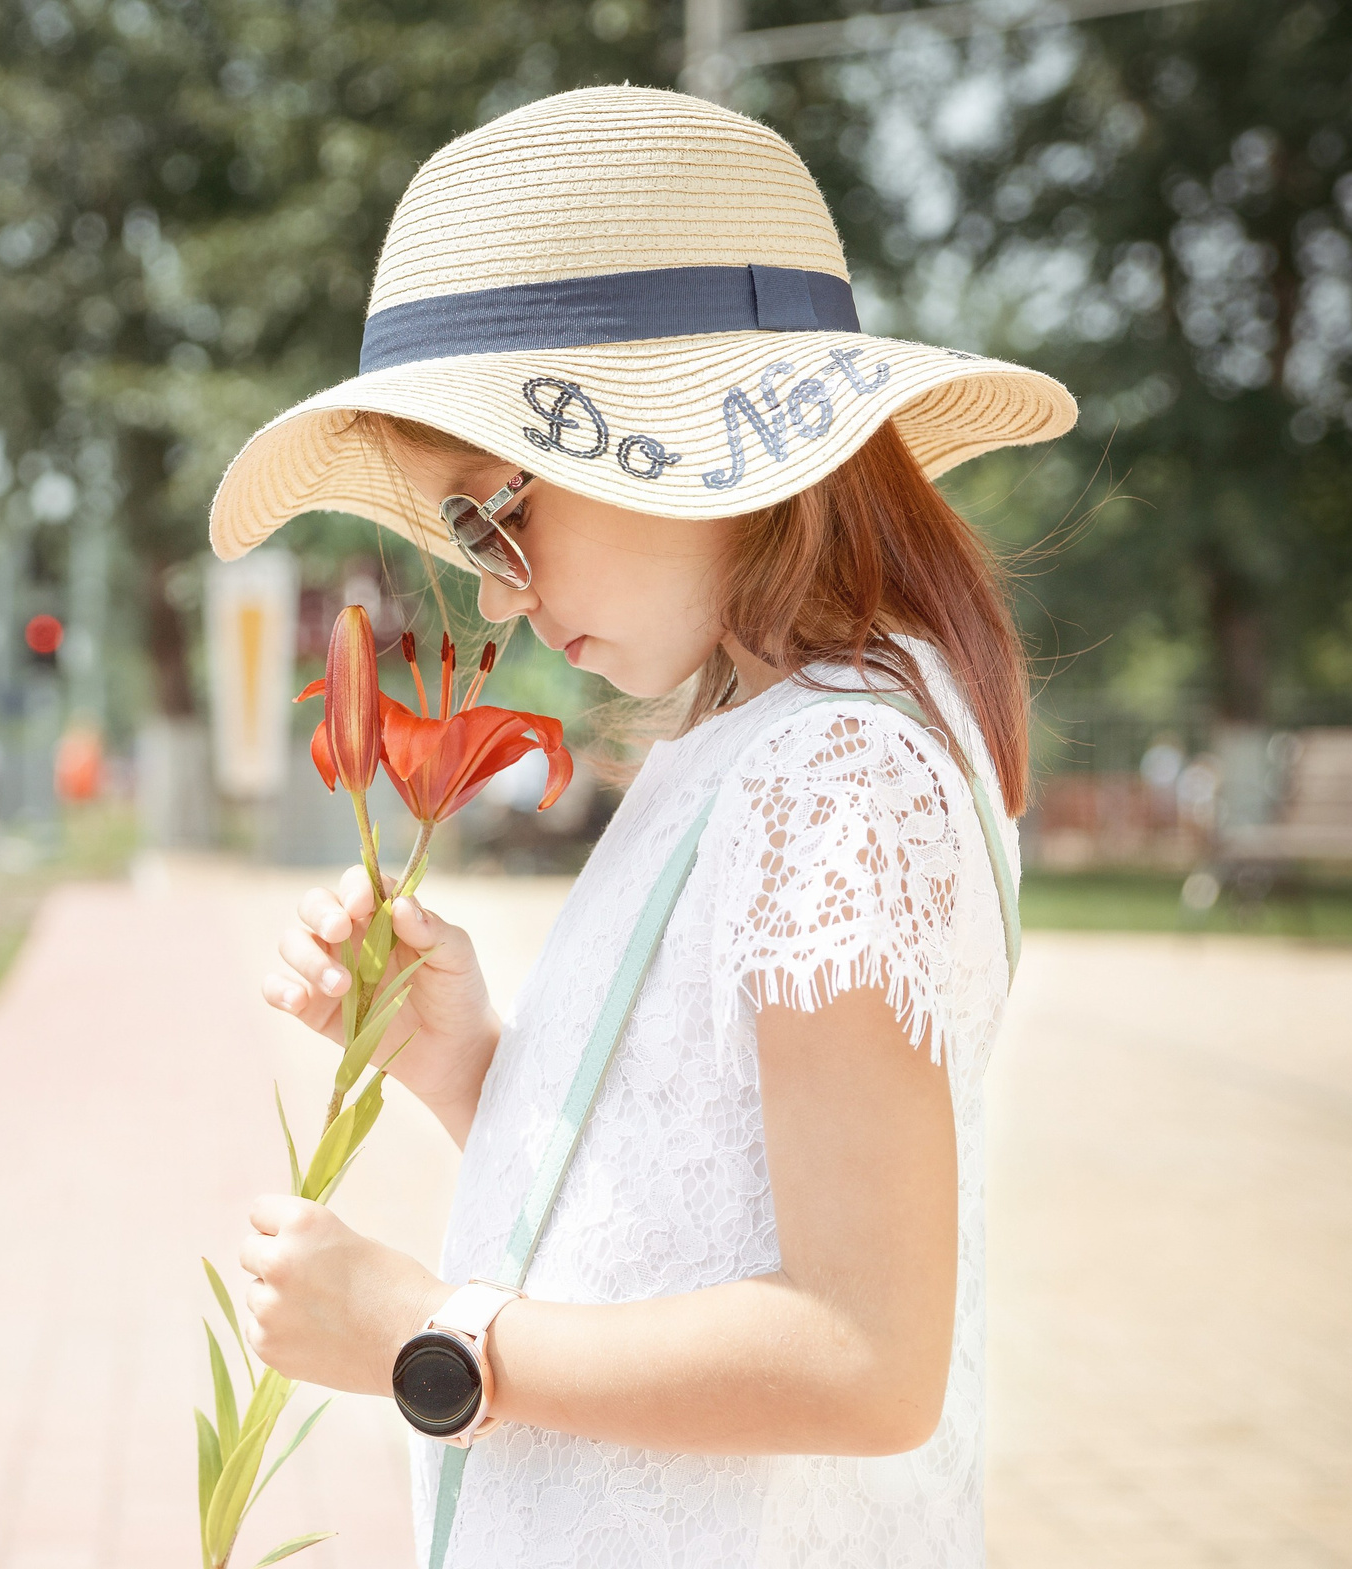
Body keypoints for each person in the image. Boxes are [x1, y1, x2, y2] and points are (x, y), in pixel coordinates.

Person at [206, 87, 1074, 1567]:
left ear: (671, 438)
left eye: (494, 514)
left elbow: (864, 1355)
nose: (493, 590)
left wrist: (438, 1338)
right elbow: (695, 1206)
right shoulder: (755, 747)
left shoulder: (832, 777)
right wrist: (471, 1064)